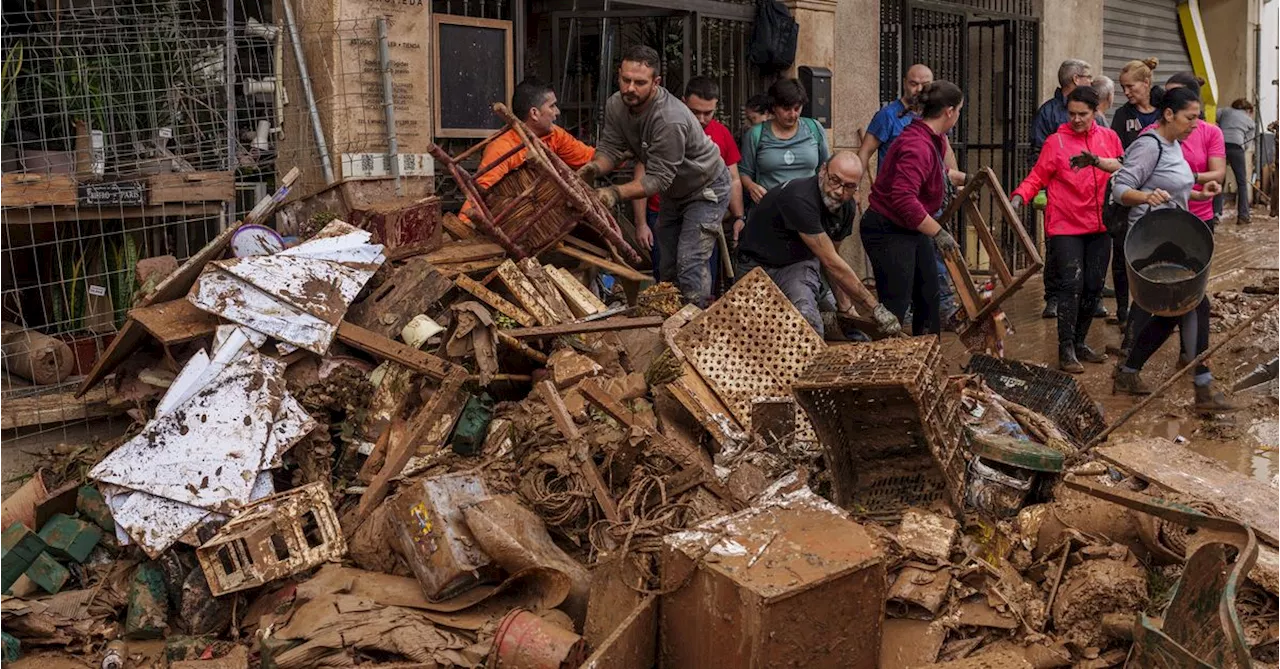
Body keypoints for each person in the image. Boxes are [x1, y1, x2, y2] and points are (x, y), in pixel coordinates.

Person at [1110, 86, 1235, 412]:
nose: (1195, 124)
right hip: (1151, 244)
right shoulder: (1149, 145)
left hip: (1173, 239)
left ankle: (1130, 371)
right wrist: (1145, 197)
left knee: (1173, 313)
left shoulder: (1174, 144)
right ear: (1169, 114)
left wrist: (1199, 192)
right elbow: (1120, 187)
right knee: (1192, 306)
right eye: (1190, 117)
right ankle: (1202, 388)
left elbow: (1173, 185)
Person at [579, 45, 730, 308]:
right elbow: (611, 150)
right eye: (626, 80)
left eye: (640, 82)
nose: (630, 88)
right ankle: (669, 320)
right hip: (676, 190)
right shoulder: (616, 104)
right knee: (667, 263)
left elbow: (658, 180)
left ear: (656, 82)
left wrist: (614, 193)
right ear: (619, 75)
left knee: (689, 261)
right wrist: (594, 168)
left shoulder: (669, 118)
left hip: (706, 189)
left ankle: (697, 324)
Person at [1010, 86, 1123, 373]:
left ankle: (1081, 342)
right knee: (1071, 284)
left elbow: (1125, 169)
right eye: (1071, 114)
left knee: (1093, 286)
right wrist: (1019, 196)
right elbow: (1037, 176)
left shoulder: (1109, 138)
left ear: (1096, 111)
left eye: (1082, 114)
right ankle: (1066, 348)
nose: (1076, 119)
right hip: (1064, 224)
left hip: (1100, 224)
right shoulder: (1055, 142)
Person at [736, 152, 901, 338]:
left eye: (849, 186)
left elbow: (833, 260)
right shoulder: (800, 198)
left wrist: (845, 306)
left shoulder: (846, 208)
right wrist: (875, 307)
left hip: (797, 264)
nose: (839, 191)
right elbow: (831, 262)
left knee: (809, 322)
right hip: (755, 264)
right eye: (834, 180)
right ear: (823, 170)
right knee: (753, 332)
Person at [861, 80, 965, 336]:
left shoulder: (933, 138)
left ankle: (926, 362)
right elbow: (903, 198)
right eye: (959, 110)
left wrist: (967, 179)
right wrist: (939, 233)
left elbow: (936, 172)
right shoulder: (917, 145)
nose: (958, 116)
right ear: (949, 111)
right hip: (888, 228)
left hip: (910, 228)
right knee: (896, 307)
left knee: (929, 297)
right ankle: (888, 366)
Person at [630, 76, 745, 282]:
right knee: (667, 273)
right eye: (695, 112)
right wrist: (641, 224)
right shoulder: (664, 127)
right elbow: (642, 173)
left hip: (703, 209)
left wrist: (738, 217)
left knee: (693, 269)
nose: (701, 119)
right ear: (683, 102)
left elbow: (733, 178)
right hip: (662, 210)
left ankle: (696, 311)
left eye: (707, 113)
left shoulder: (722, 133)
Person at [462, 78, 594, 216]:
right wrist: (463, 228)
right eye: (552, 106)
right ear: (534, 113)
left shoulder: (555, 135)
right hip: (515, 220)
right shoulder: (503, 148)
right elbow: (479, 193)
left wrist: (614, 155)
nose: (557, 112)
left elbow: (588, 157)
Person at [1031, 59, 1094, 320]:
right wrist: (1041, 189)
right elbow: (1038, 152)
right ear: (1076, 79)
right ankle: (1053, 297)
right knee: (1057, 247)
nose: (1077, 119)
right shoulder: (1048, 112)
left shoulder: (1095, 114)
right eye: (1088, 76)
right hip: (1058, 195)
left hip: (1087, 197)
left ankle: (1090, 298)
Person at [1108, 57, 1163, 327]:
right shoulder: (1122, 115)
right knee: (1121, 253)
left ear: (1147, 83)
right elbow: (1116, 154)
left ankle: (1152, 308)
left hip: (1160, 196)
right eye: (1122, 87)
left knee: (1156, 253)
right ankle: (1122, 310)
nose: (1127, 92)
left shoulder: (1164, 110)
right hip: (1128, 195)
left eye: (1131, 87)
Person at [739, 78, 830, 202]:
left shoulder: (814, 128)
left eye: (797, 108)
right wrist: (751, 186)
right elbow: (744, 172)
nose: (793, 114)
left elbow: (827, 167)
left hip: (808, 206)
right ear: (774, 107)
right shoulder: (756, 134)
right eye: (786, 109)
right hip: (770, 207)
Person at [1217, 98, 1257, 224]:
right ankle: (1243, 216)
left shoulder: (1224, 111)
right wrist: (1240, 149)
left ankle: (1215, 214)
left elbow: (1212, 117)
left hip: (1220, 146)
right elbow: (1248, 143)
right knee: (1241, 183)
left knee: (1218, 181)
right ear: (1248, 110)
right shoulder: (1250, 121)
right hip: (1236, 147)